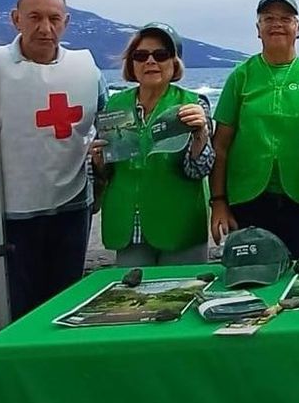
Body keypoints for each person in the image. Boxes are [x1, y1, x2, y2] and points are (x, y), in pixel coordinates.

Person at [0, 0, 106, 318]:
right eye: (34, 17)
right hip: (11, 211)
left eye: (54, 18)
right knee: (18, 306)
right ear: (16, 19)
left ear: (66, 22)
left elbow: (113, 126)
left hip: (72, 208)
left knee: (66, 305)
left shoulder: (87, 70)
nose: (45, 28)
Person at [209, 0, 299, 259]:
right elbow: (220, 145)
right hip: (249, 198)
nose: (277, 24)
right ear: (258, 29)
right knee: (252, 272)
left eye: (285, 19)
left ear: (298, 29)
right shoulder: (241, 75)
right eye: (269, 19)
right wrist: (218, 202)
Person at [92, 22, 214, 266]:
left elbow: (199, 170)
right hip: (127, 227)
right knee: (130, 302)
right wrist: (97, 160)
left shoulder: (192, 105)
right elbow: (106, 174)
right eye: (140, 56)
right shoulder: (114, 107)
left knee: (181, 297)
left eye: (161, 55)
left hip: (180, 226)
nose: (150, 62)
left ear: (174, 63)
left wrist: (201, 134)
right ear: (131, 64)